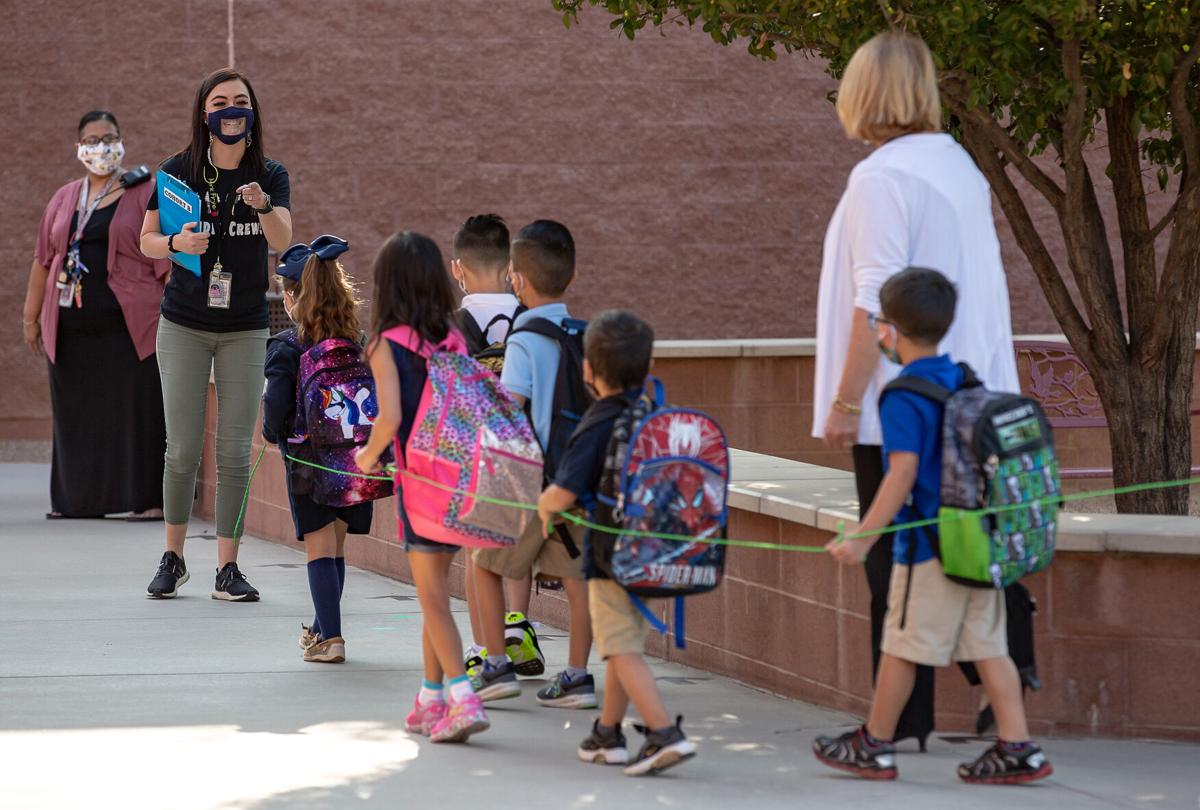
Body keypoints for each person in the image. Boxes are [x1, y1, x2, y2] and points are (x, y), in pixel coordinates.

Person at [811, 30, 1021, 747]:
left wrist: (843, 402)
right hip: (967, 398)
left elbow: (872, 300)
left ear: (864, 94)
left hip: (901, 404)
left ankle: (894, 725)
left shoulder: (882, 176)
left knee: (898, 570)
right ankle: (997, 697)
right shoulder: (958, 164)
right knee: (960, 551)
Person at [814, 268, 1052, 785]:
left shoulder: (902, 396)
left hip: (927, 549)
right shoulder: (961, 377)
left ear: (891, 330)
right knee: (990, 648)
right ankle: (1018, 746)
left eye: (880, 323)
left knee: (900, 644)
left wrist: (862, 538)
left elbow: (900, 474)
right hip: (974, 544)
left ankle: (875, 744)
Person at [139, 68, 292, 601]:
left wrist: (263, 206)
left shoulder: (269, 175)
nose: (231, 108)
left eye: (241, 100)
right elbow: (147, 241)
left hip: (245, 329)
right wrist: (177, 240)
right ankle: (174, 556)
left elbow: (284, 237)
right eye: (220, 101)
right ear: (204, 113)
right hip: (183, 323)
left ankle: (228, 568)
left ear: (253, 112)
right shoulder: (177, 171)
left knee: (232, 451)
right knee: (180, 449)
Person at [539, 309, 697, 777]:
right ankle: (607, 733)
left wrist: (545, 506)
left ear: (588, 370)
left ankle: (664, 732)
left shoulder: (597, 421)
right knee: (622, 642)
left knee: (619, 648)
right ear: (646, 370)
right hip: (651, 553)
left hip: (609, 558)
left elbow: (564, 492)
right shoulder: (650, 413)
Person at [354, 231, 489, 743]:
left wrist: (366, 458)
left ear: (387, 284)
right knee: (437, 589)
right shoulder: (453, 338)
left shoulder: (386, 344)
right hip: (464, 480)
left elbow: (388, 420)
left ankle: (462, 696)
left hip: (421, 484)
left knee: (432, 598)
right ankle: (431, 697)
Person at [471, 220, 595, 709]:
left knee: (484, 563)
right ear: (574, 276)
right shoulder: (584, 333)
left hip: (526, 479)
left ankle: (497, 664)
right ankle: (579, 675)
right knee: (577, 577)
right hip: (575, 477)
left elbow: (510, 408)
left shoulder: (524, 335)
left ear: (516, 279)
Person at [22, 110, 168, 521]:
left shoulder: (145, 191)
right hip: (71, 333)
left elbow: (167, 262)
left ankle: (146, 500)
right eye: (92, 139)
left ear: (122, 141)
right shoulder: (65, 197)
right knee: (77, 418)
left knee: (137, 415)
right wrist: (29, 318)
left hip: (131, 330)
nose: (101, 147)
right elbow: (43, 260)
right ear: (78, 147)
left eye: (109, 137)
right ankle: (79, 500)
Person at [262, 235, 376, 664]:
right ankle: (321, 629)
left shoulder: (288, 345)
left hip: (308, 462)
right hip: (353, 460)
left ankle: (331, 638)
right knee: (336, 546)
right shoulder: (357, 340)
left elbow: (275, 408)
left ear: (292, 298)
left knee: (318, 548)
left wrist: (272, 435)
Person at [450, 213, 544, 678]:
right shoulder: (531, 321)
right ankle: (519, 626)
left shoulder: (451, 327)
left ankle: (484, 648)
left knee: (477, 553)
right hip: (527, 452)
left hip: (474, 455)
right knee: (519, 545)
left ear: (457, 268)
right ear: (510, 266)